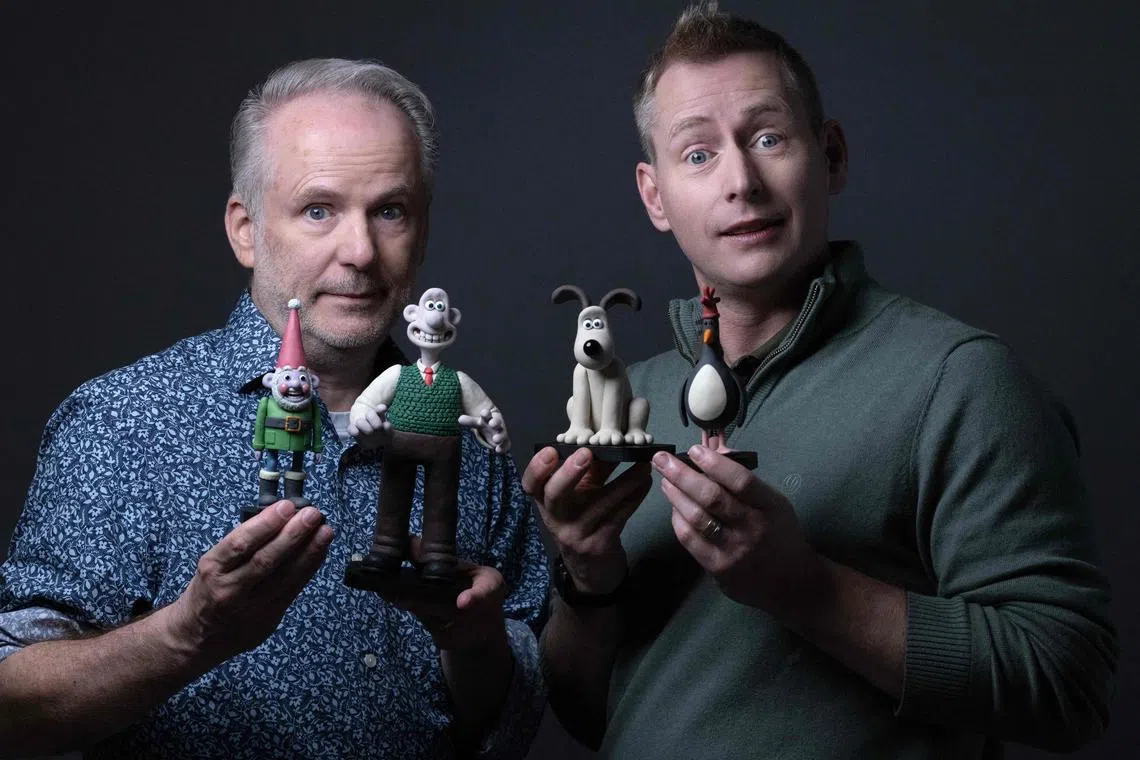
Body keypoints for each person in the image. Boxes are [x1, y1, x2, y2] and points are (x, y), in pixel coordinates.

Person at [525, 4, 1117, 758]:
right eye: (698, 154)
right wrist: (589, 578)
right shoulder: (631, 409)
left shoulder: (960, 381)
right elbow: (590, 714)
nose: (741, 182)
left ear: (831, 156)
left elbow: (1069, 687)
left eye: (768, 139)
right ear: (655, 196)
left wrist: (806, 586)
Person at [0, 58, 549, 759]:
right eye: (319, 210)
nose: (360, 251)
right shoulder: (121, 423)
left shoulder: (468, 440)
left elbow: (523, 706)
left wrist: (475, 646)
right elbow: (10, 702)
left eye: (390, 211)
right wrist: (188, 635)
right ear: (245, 229)